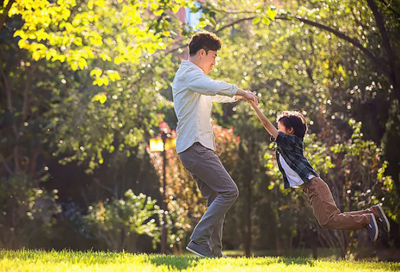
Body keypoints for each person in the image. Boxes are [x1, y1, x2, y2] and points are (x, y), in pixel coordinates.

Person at [248, 101, 390, 241]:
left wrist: (252, 104)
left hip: (314, 185)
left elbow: (266, 125)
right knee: (332, 218)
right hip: (312, 188)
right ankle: (372, 213)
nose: (277, 132)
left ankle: (367, 219)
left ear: (290, 130)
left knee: (328, 220)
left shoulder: (291, 141)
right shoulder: (286, 145)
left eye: (280, 128)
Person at [172, 31, 257, 258]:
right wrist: (242, 91)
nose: (215, 61)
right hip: (194, 147)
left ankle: (213, 253)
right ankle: (198, 240)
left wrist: (241, 97)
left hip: (195, 147)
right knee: (230, 191)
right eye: (213, 56)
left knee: (216, 197)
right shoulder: (189, 74)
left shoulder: (194, 79)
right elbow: (214, 87)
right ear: (202, 53)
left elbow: (214, 94)